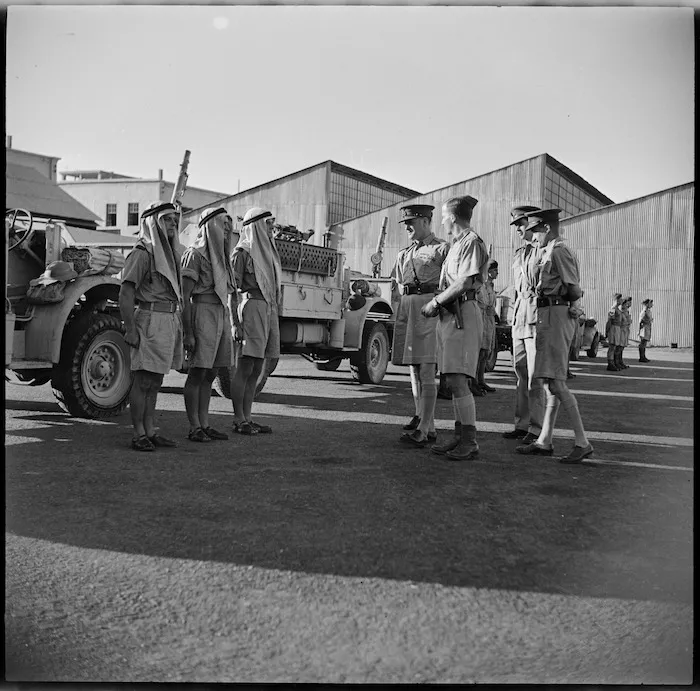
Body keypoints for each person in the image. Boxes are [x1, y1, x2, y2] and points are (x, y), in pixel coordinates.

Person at [514, 208, 593, 464]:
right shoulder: (548, 250)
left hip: (556, 315)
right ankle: (544, 440)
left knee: (556, 382)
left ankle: (582, 442)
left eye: (535, 231)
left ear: (547, 228)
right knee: (548, 381)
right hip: (546, 314)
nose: (533, 237)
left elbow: (574, 289)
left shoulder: (559, 251)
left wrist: (565, 305)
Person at [421, 195, 489, 461]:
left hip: (463, 313)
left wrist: (435, 302)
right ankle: (460, 436)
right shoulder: (458, 245)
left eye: (443, 217)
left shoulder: (471, 242)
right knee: (452, 377)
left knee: (459, 379)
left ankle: (469, 441)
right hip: (452, 315)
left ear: (452, 218)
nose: (441, 222)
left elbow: (465, 282)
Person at [119, 201, 184, 452]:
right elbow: (126, 294)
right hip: (149, 318)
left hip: (168, 319)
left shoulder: (169, 254)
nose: (173, 224)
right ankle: (138, 434)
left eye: (174, 219)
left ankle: (150, 430)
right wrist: (131, 329)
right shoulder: (143, 252)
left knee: (156, 381)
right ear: (153, 222)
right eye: (167, 219)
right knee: (143, 381)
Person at [391, 204, 449, 447]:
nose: (407, 227)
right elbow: (396, 282)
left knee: (426, 369)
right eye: (406, 223)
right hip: (408, 308)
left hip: (429, 308)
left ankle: (424, 429)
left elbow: (450, 283)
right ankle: (425, 420)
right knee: (413, 368)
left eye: (411, 222)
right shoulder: (404, 253)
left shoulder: (442, 248)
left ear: (426, 221)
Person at [180, 207, 236, 442]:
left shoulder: (223, 257)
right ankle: (194, 426)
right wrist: (189, 332)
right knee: (198, 372)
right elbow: (185, 297)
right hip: (202, 312)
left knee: (211, 372)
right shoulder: (194, 254)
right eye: (223, 223)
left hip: (220, 313)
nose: (227, 229)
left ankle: (205, 423)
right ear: (210, 224)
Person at [229, 206, 282, 435]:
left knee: (258, 367)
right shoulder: (242, 252)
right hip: (251, 307)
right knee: (245, 366)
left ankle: (248, 417)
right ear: (257, 226)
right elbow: (232, 290)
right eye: (268, 223)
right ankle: (238, 418)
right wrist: (235, 323)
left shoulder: (269, 251)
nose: (272, 228)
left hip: (267, 308)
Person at [502, 205, 545, 444]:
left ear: (532, 223)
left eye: (520, 224)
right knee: (520, 374)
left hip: (535, 318)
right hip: (519, 318)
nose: (518, 229)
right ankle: (522, 424)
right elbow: (517, 290)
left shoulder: (543, 251)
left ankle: (536, 429)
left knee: (535, 376)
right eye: (516, 225)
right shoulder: (520, 253)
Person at [475, 260, 499, 394]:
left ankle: (481, 380)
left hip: (489, 320)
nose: (497, 273)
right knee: (479, 351)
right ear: (488, 272)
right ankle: (475, 381)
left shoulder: (490, 286)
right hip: (481, 318)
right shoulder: (481, 285)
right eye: (495, 270)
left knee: (485, 352)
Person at [605, 293, 624, 371]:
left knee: (615, 346)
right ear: (616, 299)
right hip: (613, 328)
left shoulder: (618, 309)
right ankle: (610, 363)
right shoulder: (613, 309)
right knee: (612, 346)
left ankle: (614, 362)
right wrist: (607, 331)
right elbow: (609, 320)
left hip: (617, 328)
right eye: (620, 299)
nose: (621, 300)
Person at [618, 296, 633, 369]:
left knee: (622, 347)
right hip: (621, 330)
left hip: (625, 329)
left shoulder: (626, 311)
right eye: (628, 302)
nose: (629, 304)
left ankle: (620, 362)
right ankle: (617, 362)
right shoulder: (621, 311)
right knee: (619, 347)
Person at [638, 298, 654, 362]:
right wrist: (639, 331)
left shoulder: (648, 311)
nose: (652, 305)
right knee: (643, 343)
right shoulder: (644, 312)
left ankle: (643, 356)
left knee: (644, 343)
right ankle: (641, 357)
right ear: (647, 304)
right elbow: (640, 321)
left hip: (647, 327)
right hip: (644, 328)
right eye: (650, 303)